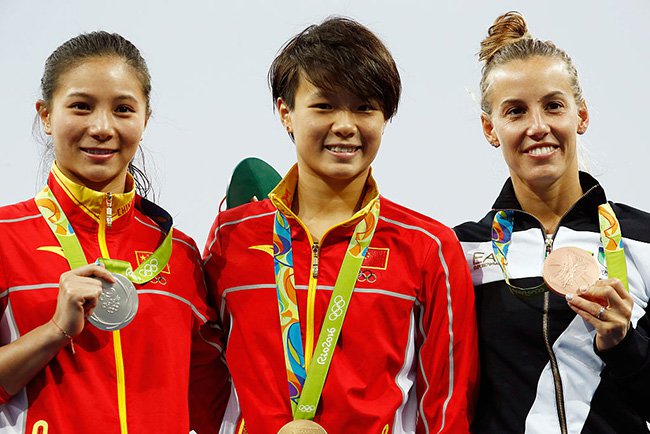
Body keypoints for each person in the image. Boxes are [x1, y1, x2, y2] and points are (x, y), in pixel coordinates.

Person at [203, 17, 478, 434]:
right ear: (286, 113)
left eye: (365, 107)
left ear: (385, 117)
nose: (346, 125)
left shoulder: (429, 248)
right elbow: (204, 380)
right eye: (325, 105)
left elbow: (447, 408)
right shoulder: (232, 237)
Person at [0, 31, 228, 433]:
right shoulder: (6, 237)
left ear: (145, 119)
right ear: (46, 115)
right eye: (82, 107)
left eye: (123, 109)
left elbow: (216, 405)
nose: (102, 127)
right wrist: (54, 331)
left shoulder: (180, 256)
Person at [454, 11, 650, 434]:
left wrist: (623, 345)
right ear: (491, 128)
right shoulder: (459, 251)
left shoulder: (644, 241)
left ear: (581, 116)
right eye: (516, 111)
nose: (538, 127)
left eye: (553, 106)